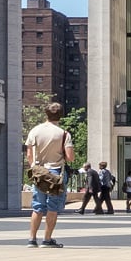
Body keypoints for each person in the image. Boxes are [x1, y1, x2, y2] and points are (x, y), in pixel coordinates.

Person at [25, 101, 74, 247]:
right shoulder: (64, 134)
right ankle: (47, 239)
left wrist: (34, 167)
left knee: (38, 206)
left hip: (39, 172)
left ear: (46, 114)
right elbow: (70, 157)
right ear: (61, 115)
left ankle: (32, 239)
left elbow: (29, 154)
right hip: (56, 174)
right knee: (53, 207)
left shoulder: (35, 131)